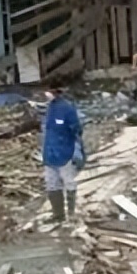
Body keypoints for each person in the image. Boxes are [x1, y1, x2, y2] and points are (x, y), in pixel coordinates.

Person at [42, 86, 83, 223]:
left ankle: (71, 214)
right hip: (50, 153)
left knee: (69, 182)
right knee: (51, 184)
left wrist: (75, 148)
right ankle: (58, 215)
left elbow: (76, 130)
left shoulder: (67, 109)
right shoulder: (50, 108)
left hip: (64, 151)